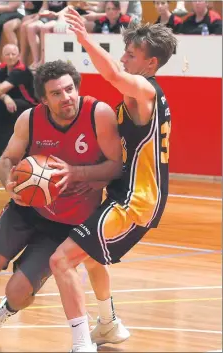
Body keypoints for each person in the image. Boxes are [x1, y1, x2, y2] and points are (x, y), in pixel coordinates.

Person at [0, 60, 125, 353]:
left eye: (69, 89)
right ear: (43, 98)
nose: (66, 97)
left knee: (16, 292)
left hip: (67, 224)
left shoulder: (98, 114)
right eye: (56, 93)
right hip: (27, 209)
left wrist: (77, 174)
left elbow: (116, 166)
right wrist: (8, 184)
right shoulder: (30, 119)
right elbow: (6, 159)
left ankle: (8, 308)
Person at [46, 8, 177, 352]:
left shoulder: (146, 92)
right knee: (90, 256)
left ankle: (82, 343)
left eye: (131, 55)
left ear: (150, 64)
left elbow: (114, 74)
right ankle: (108, 325)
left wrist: (85, 39)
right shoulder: (133, 101)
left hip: (136, 200)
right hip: (126, 193)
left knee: (61, 260)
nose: (123, 58)